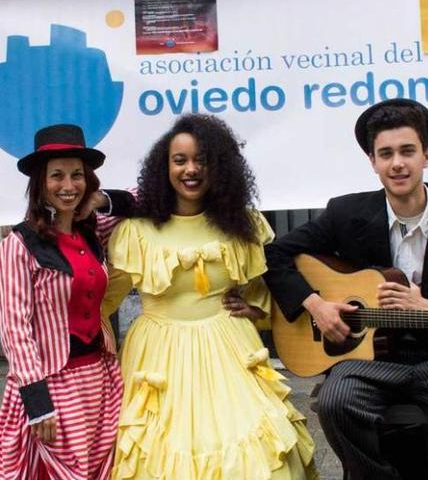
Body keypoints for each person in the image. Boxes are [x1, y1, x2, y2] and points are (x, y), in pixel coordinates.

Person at [263, 99, 428, 480]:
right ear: (372, 161)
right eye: (385, 154)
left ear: (427, 155)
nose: (397, 163)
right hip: (370, 362)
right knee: (336, 405)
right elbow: (274, 255)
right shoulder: (346, 213)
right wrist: (315, 304)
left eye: (407, 151)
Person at [102, 114, 318, 479]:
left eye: (202, 160)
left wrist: (256, 309)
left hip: (229, 345)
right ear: (163, 167)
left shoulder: (243, 226)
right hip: (159, 354)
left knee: (262, 453)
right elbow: (103, 301)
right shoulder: (135, 231)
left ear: (220, 167)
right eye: (180, 160)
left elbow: (265, 294)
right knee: (159, 456)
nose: (191, 170)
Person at [0, 124, 133, 479]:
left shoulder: (93, 230)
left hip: (99, 380)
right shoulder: (17, 248)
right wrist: (38, 405)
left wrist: (99, 200)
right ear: (39, 182)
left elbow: (144, 197)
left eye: (77, 175)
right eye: (57, 176)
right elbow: (15, 332)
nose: (68, 186)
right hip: (51, 385)